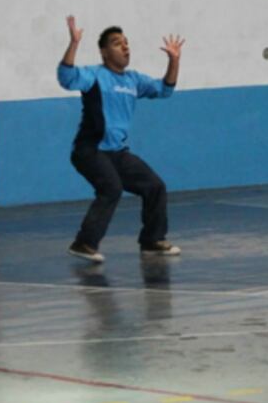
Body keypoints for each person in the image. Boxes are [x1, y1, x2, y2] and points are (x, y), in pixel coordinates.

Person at [58, 16, 185, 263]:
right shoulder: (94, 75)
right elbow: (66, 77)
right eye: (117, 43)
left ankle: (152, 241)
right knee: (111, 188)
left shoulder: (133, 80)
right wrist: (73, 44)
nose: (125, 47)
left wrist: (174, 61)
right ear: (104, 52)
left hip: (117, 153)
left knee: (155, 186)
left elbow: (165, 89)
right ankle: (84, 243)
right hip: (90, 149)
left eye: (126, 42)